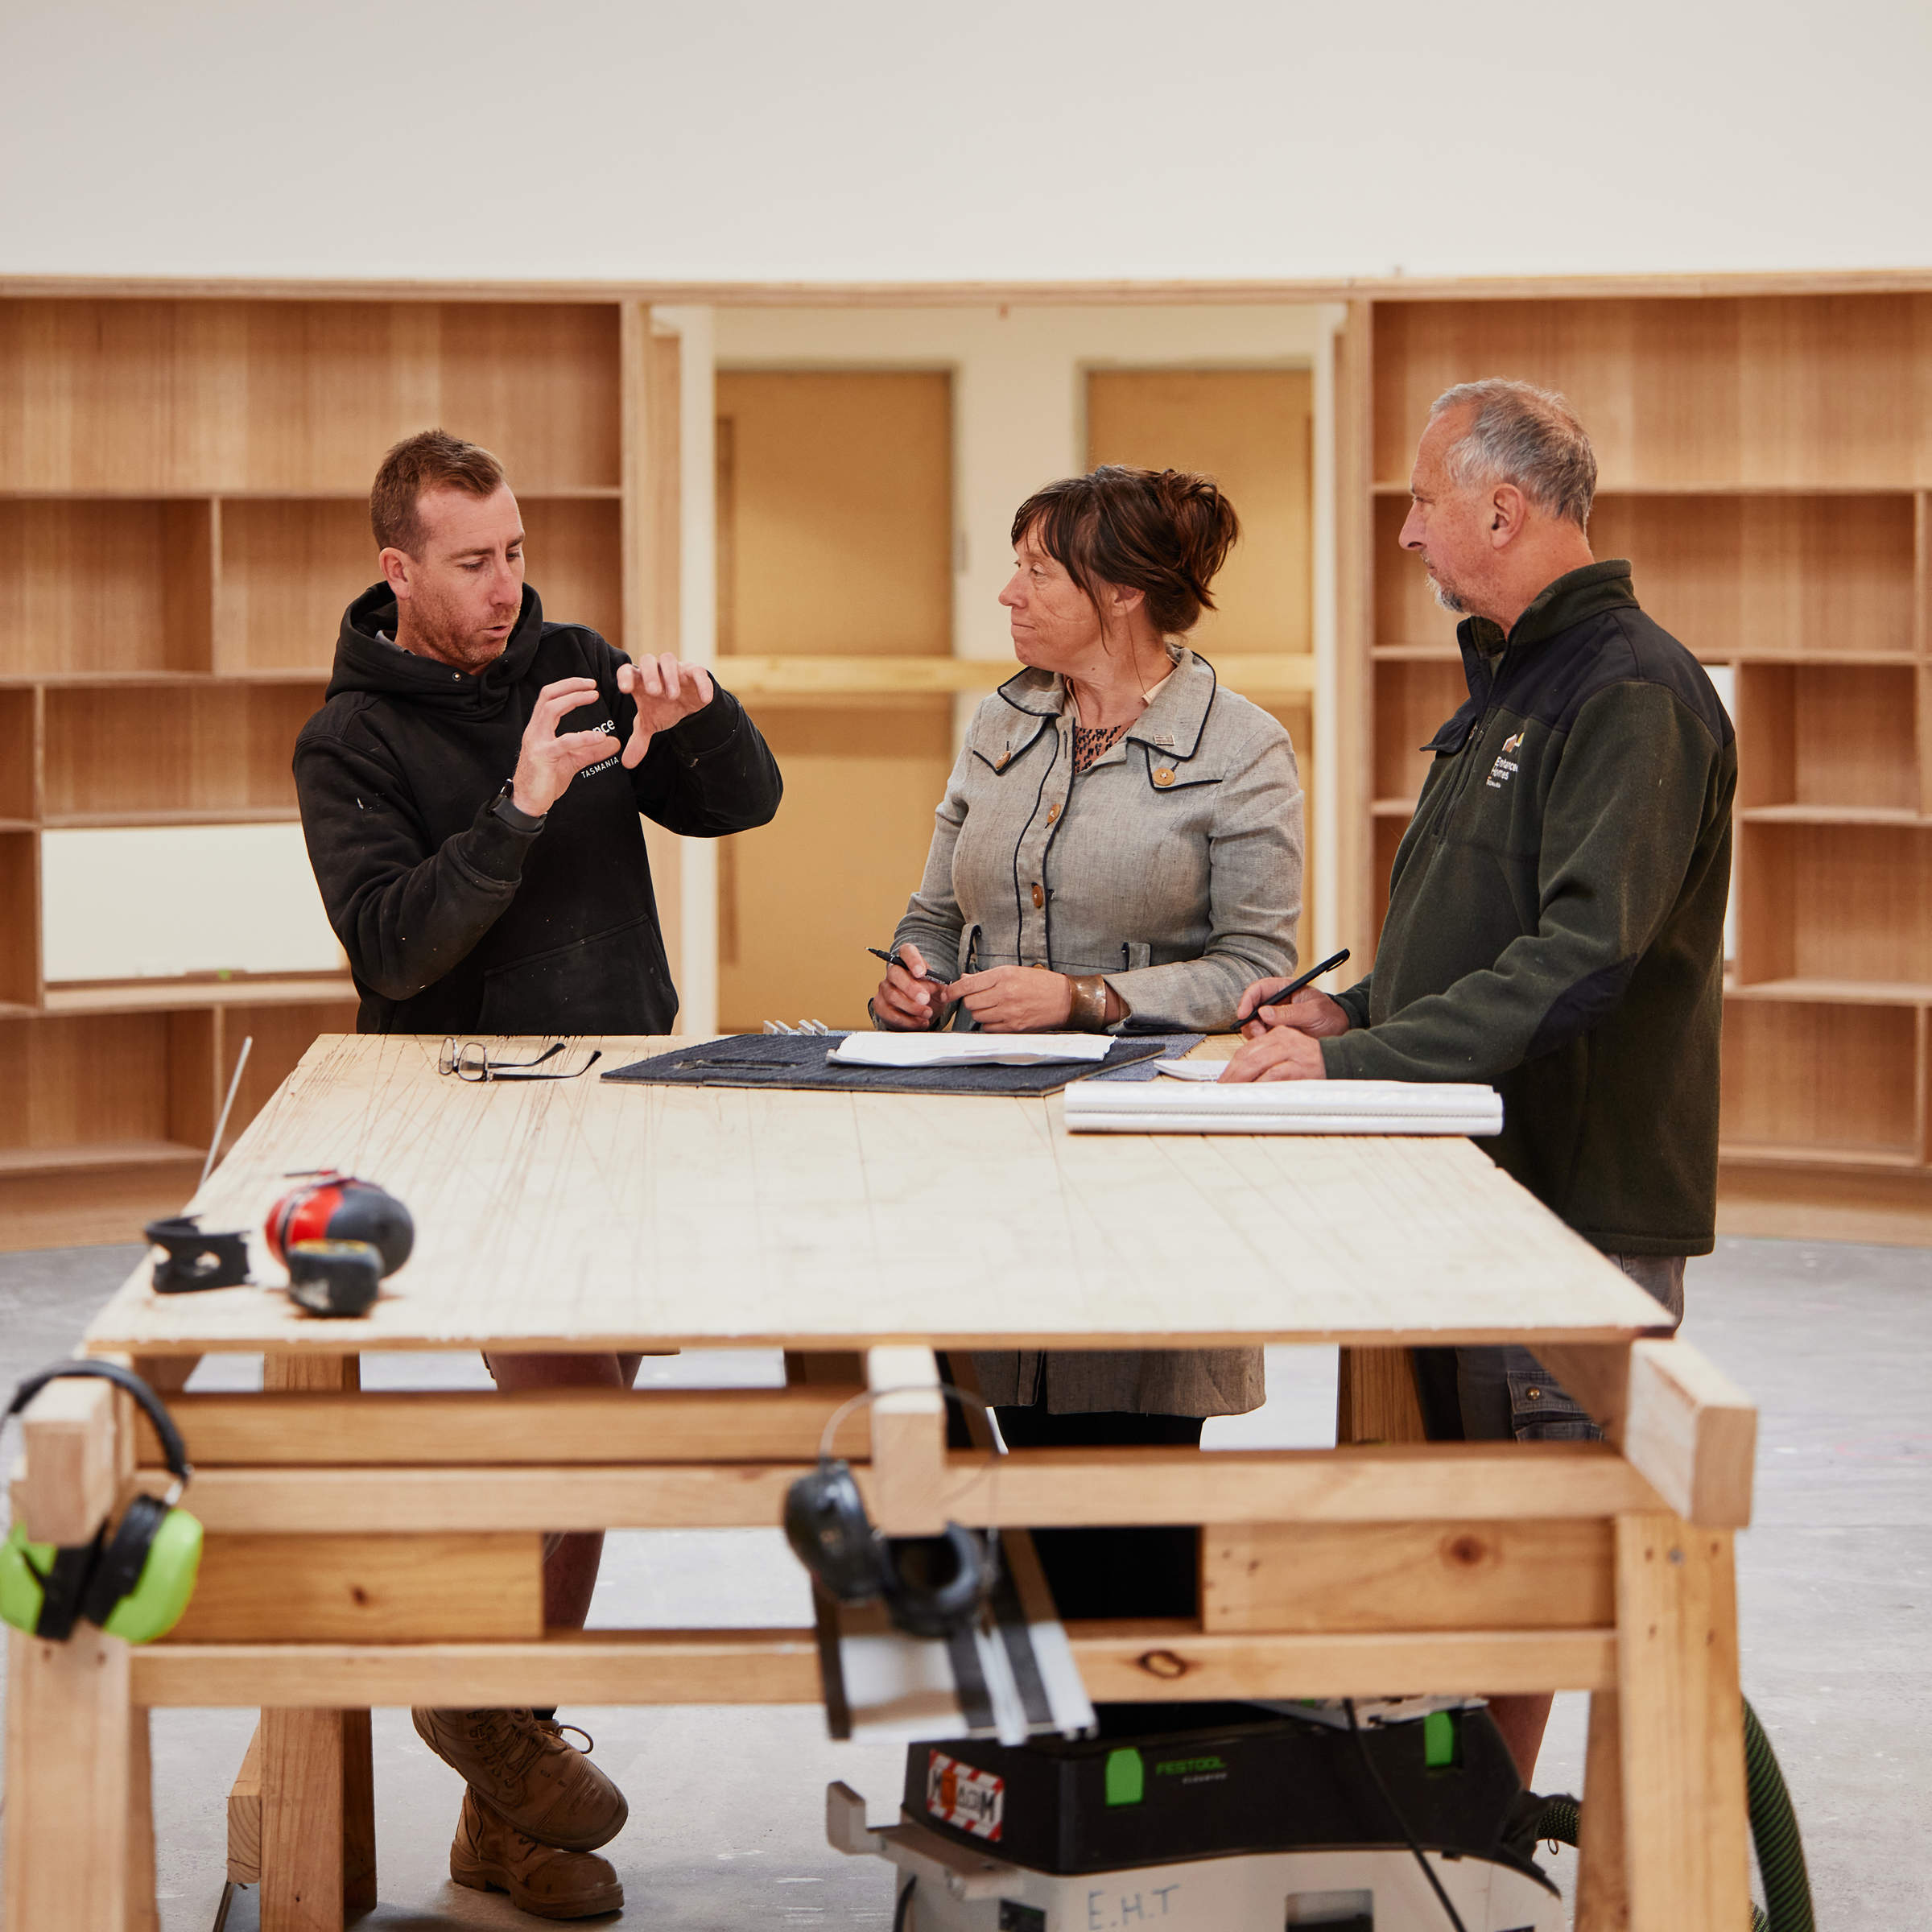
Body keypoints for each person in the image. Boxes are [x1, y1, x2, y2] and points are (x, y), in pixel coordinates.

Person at [295, 428, 782, 1919]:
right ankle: (480, 1704)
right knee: (574, 1421)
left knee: (594, 1423)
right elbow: (392, 947)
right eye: (472, 562)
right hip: (462, 1113)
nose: (508, 587)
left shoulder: (569, 653)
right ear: (399, 570)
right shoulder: (348, 742)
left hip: (623, 1093)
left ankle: (497, 1809)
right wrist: (515, 806)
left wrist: (696, 718)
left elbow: (739, 804)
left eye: (514, 551)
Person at [1224, 379, 1736, 1778]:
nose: (1406, 532)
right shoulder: (1515, 681)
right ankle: (1463, 1831)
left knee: (1544, 1554)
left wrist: (1364, 1067)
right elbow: (1475, 938)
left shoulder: (1629, 690)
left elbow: (1583, 958)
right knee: (1474, 1535)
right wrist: (1349, 1013)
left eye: (1423, 502)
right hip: (1473, 1187)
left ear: (1502, 508)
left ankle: (1490, 1842)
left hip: (1573, 1203)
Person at [875, 464, 1304, 1616]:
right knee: (974, 1470)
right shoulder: (1004, 716)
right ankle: (1023, 1762)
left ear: (1118, 593)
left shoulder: (1244, 746)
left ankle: (1139, 1761)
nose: (1007, 596)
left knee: (1122, 1491)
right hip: (978, 1147)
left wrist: (1087, 1001)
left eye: (1034, 570)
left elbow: (1260, 968)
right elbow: (932, 916)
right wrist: (914, 982)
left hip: (1138, 1162)